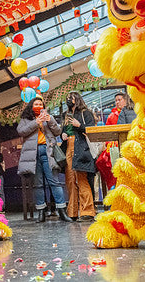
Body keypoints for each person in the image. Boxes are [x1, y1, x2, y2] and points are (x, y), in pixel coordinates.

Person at [17, 98, 72, 223]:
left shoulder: (49, 117)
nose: (38, 106)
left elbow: (58, 132)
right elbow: (21, 131)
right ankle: (41, 212)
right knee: (38, 184)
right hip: (33, 153)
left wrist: (50, 120)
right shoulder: (26, 119)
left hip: (48, 152)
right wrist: (36, 122)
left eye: (40, 104)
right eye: (36, 104)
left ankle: (62, 211)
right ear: (31, 106)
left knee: (54, 181)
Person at [61, 91, 97, 222]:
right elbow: (64, 130)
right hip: (69, 147)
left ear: (77, 99)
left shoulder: (85, 113)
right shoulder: (66, 115)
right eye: (67, 98)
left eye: (71, 97)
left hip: (81, 147)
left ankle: (87, 211)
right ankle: (73, 212)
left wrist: (79, 125)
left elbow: (91, 130)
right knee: (70, 180)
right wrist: (62, 135)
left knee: (81, 178)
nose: (68, 100)